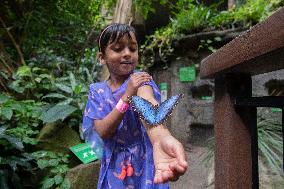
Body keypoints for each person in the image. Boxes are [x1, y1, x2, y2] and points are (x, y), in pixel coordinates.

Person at [82, 23, 188, 189]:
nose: (127, 54)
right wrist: (126, 97)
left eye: (132, 49)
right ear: (102, 57)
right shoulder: (97, 91)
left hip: (144, 162)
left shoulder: (140, 80)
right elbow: (103, 131)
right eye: (118, 49)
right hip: (114, 163)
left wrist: (161, 137)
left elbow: (148, 104)